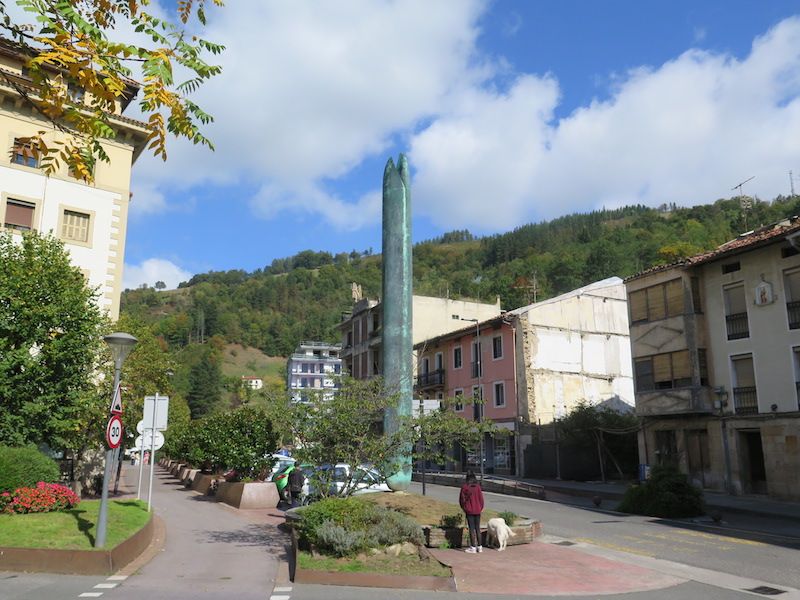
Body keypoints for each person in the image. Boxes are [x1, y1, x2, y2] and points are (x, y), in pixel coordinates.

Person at [459, 470, 484, 553]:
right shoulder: (478, 487)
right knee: (478, 528)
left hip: (469, 510)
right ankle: (480, 547)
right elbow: (481, 499)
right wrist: (480, 508)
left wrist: (464, 508)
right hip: (478, 510)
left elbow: (462, 500)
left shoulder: (465, 487)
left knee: (471, 529)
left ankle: (473, 547)